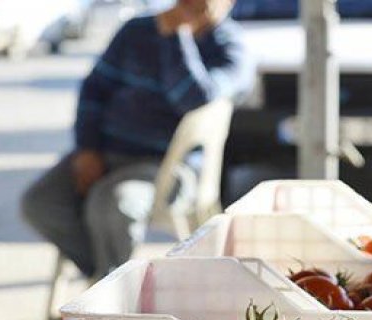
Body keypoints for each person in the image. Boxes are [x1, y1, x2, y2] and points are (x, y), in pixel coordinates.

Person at [21, 0, 254, 280]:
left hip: (166, 167)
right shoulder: (136, 31)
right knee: (40, 202)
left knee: (113, 204)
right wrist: (87, 149)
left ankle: (110, 286)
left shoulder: (231, 47)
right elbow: (95, 89)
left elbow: (192, 98)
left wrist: (175, 38)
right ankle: (108, 278)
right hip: (106, 151)